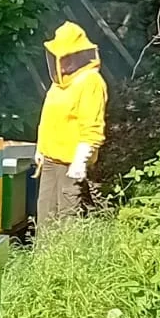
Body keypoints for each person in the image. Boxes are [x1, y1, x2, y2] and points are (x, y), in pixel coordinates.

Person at [34, 21, 107, 230]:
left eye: (66, 57)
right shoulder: (59, 83)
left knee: (67, 216)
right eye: (59, 57)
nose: (62, 63)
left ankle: (67, 252)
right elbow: (49, 117)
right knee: (45, 215)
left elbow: (92, 126)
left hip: (70, 163)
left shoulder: (91, 82)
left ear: (79, 56)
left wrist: (81, 160)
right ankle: (43, 251)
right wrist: (41, 148)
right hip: (50, 159)